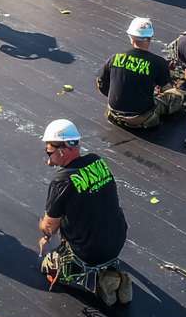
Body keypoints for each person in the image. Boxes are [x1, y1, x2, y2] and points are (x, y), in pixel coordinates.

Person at [37, 118, 132, 306]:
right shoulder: (97, 161)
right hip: (117, 238)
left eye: (49, 152)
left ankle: (100, 283)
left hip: (89, 251)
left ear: (63, 150)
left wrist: (44, 234)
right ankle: (113, 276)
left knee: (48, 265)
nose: (48, 160)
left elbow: (49, 227)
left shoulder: (62, 181)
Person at [97, 17, 186, 129]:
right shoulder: (158, 62)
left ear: (131, 37)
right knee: (177, 95)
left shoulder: (115, 58)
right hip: (140, 118)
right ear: (150, 38)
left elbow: (101, 83)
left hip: (113, 113)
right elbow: (166, 88)